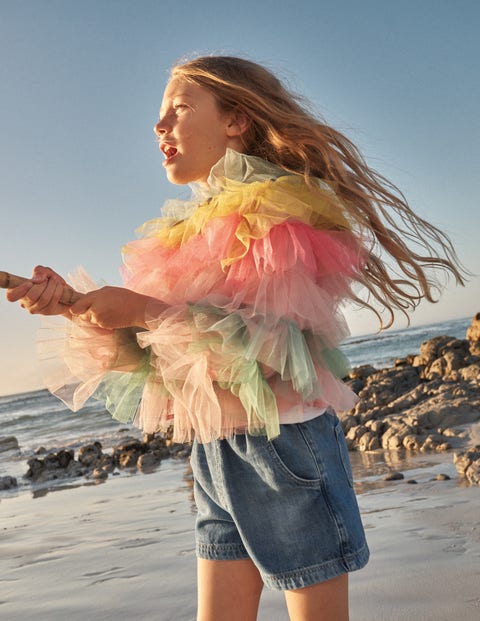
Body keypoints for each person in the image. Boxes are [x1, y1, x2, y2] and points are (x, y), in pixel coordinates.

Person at [7, 55, 465, 621]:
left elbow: (269, 351)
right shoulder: (189, 232)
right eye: (160, 115)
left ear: (235, 121)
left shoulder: (278, 215)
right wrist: (77, 307)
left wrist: (143, 310)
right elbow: (167, 352)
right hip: (214, 447)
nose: (159, 126)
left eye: (178, 108)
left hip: (286, 445)